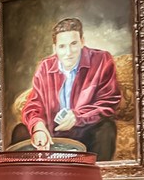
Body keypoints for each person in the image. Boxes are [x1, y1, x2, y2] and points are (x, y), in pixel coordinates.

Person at [20, 17, 123, 160]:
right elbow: (34, 104)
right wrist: (38, 127)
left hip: (88, 129)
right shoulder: (45, 66)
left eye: (73, 44)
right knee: (19, 132)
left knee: (107, 128)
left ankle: (100, 177)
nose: (68, 52)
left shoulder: (102, 60)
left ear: (82, 42)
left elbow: (109, 101)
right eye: (62, 46)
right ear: (54, 48)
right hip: (53, 133)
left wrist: (78, 117)